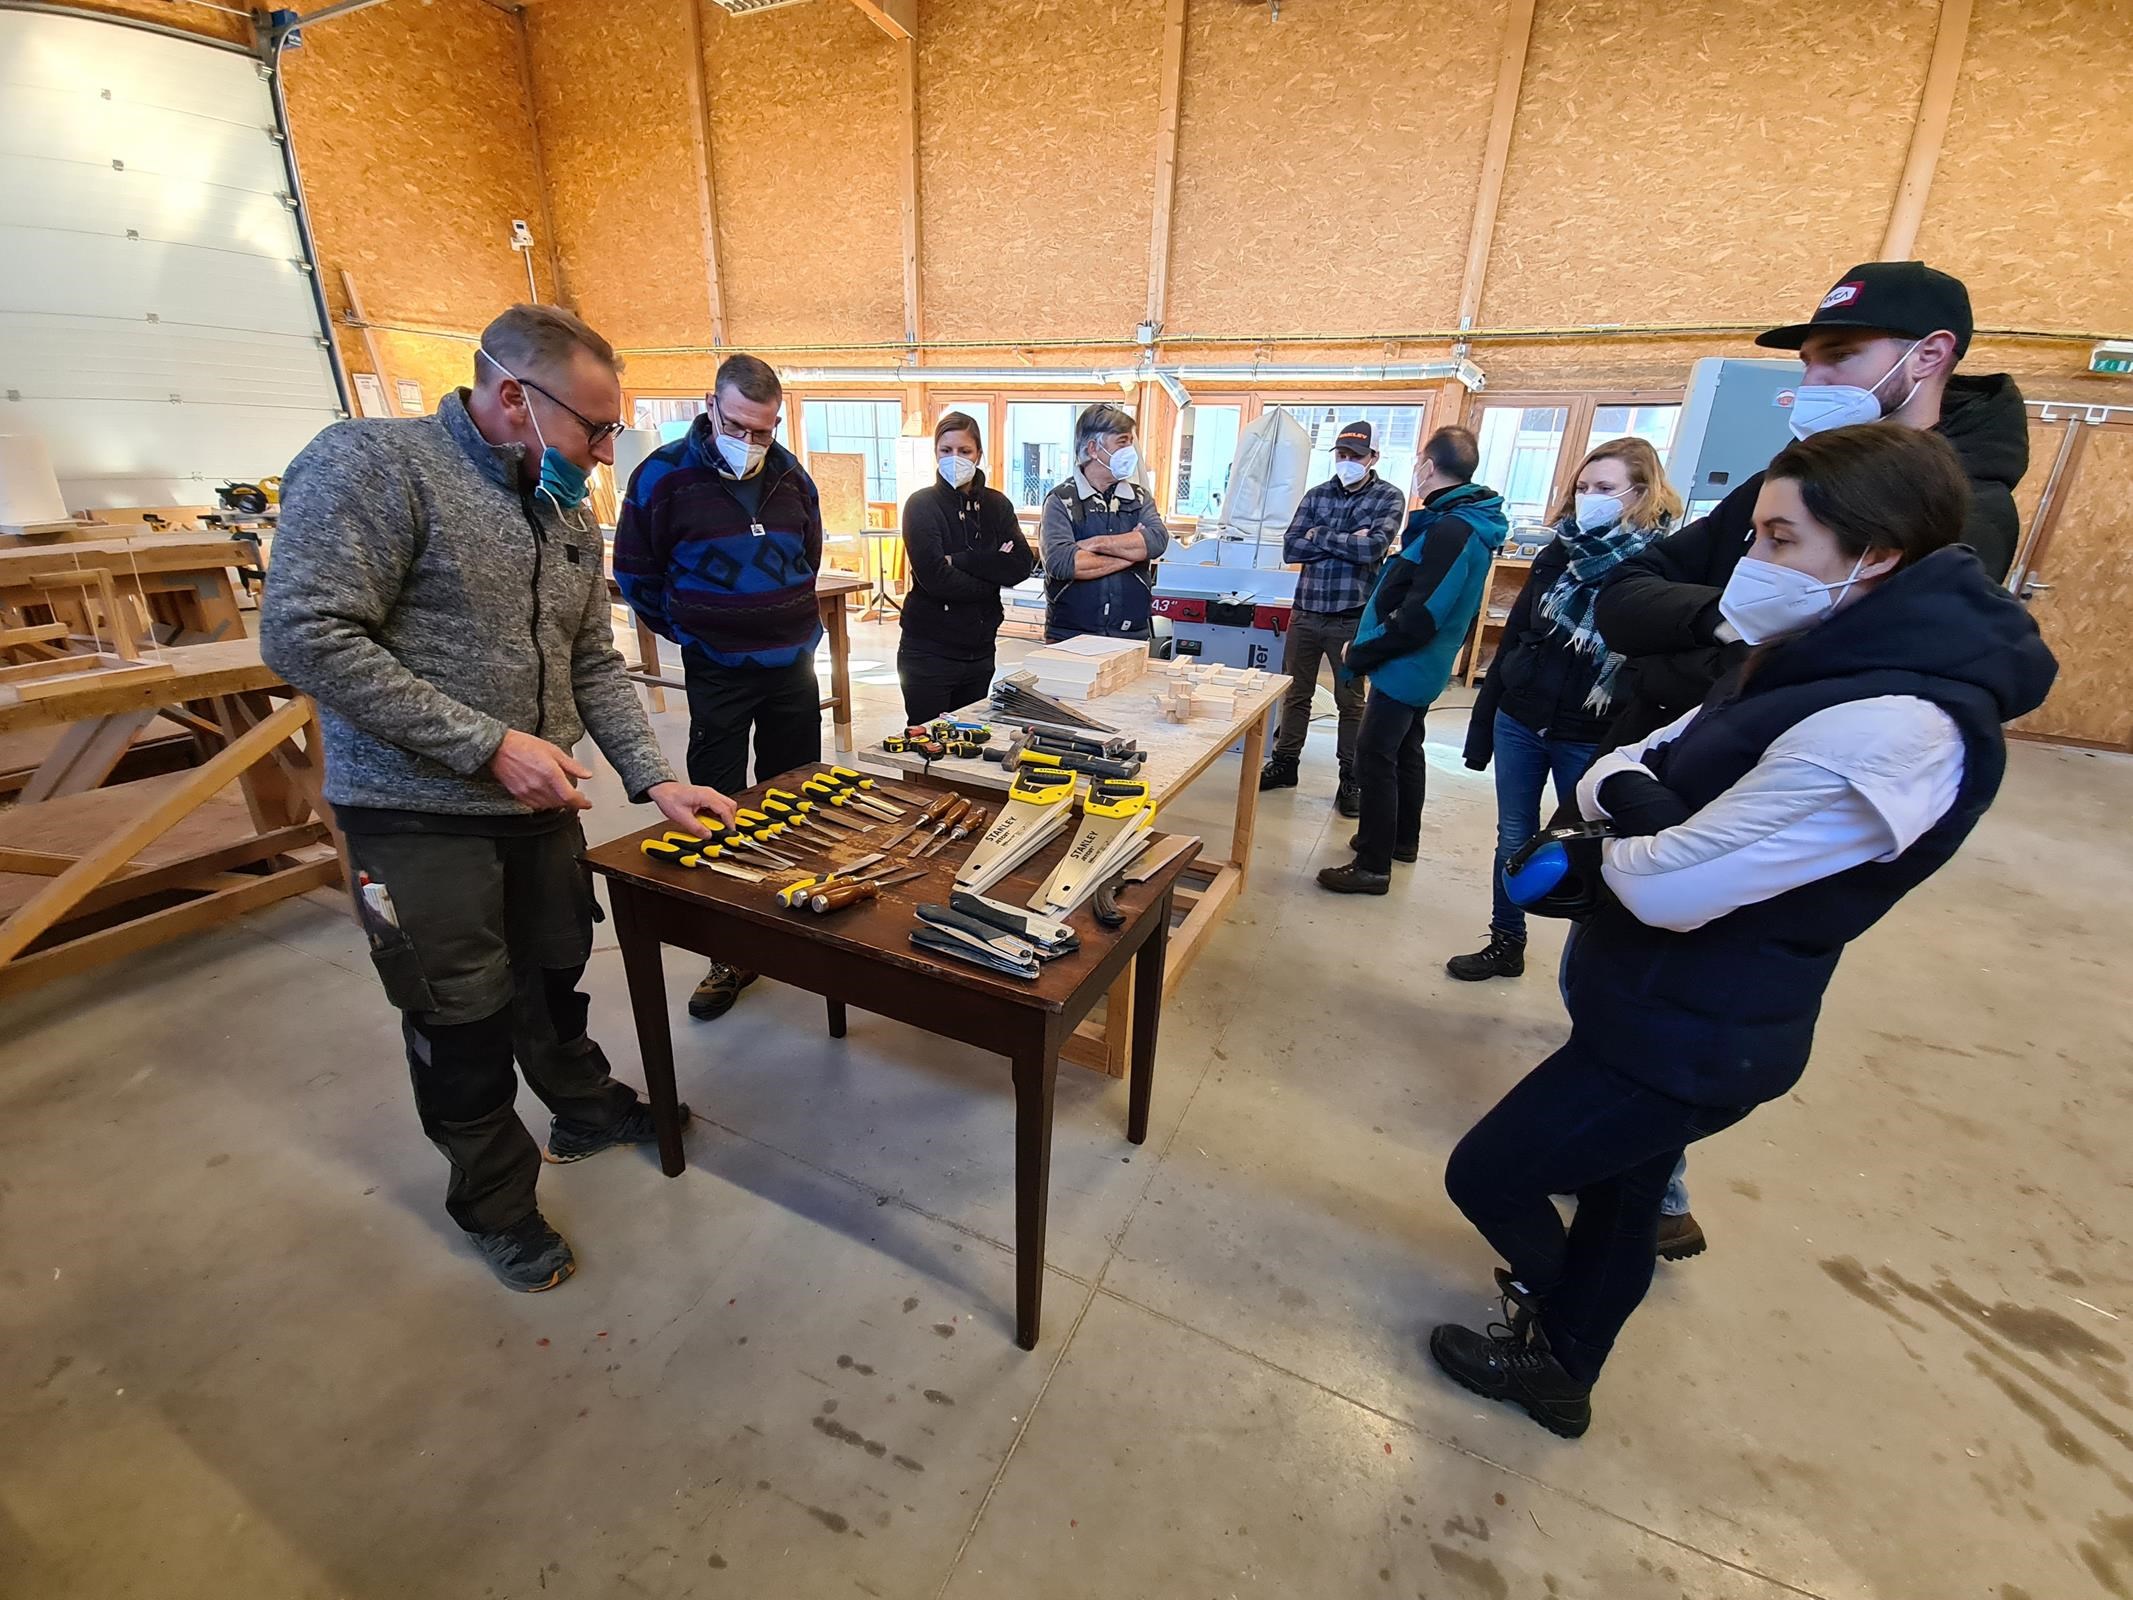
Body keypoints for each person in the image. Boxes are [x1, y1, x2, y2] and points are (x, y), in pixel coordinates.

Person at [1427, 422, 2055, 1439]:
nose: (1751, 563)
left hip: (1696, 1031)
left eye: (1776, 538)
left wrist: (1622, 836)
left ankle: (1559, 1322)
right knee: (1623, 1197)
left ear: (1876, 553)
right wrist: (1648, 810)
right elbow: (1627, 761)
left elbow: (1674, 884)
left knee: (1490, 1171)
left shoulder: (1902, 726)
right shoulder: (1813, 652)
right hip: (1651, 1008)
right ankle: (1563, 1367)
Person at [261, 304, 737, 1293]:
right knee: (461, 1013)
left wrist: (654, 776)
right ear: (513, 395)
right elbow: (307, 635)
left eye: (614, 431)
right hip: (414, 815)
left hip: (538, 806)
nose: (607, 453)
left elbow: (591, 656)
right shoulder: (372, 467)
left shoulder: (566, 507)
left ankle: (582, 1104)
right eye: (593, 428)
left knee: (557, 966)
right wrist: (486, 748)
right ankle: (492, 1199)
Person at [1594, 261, 2027, 749]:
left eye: (1841, 356)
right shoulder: (1780, 479)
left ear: (1929, 354)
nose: (1813, 382)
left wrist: (1664, 658)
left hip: (1757, 769)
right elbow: (1623, 593)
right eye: (1807, 362)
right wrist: (1731, 617)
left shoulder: (1960, 509)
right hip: (1649, 744)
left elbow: (1837, 682)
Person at [614, 352, 824, 1024]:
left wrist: (777, 613)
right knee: (717, 802)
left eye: (764, 430)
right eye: (738, 425)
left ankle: (797, 916)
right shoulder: (661, 477)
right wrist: (693, 633)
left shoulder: (791, 474)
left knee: (798, 793)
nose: (751, 443)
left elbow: (808, 554)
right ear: (710, 406)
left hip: (791, 663)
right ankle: (729, 951)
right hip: (717, 669)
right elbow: (637, 574)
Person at [1448, 437, 1681, 980]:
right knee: (1514, 835)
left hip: (1594, 732)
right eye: (1582, 488)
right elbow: (1515, 641)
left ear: (1640, 492)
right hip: (1523, 720)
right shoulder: (1559, 552)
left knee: (1597, 848)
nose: (1589, 499)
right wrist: (1485, 725)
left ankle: (1590, 970)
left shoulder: (1659, 565)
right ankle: (1506, 942)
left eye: (1604, 489)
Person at [1316, 427, 1505, 894]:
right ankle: (1400, 840)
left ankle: (1373, 866)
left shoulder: (1454, 528)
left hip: (1409, 663)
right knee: (1403, 749)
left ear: (1427, 465)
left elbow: (1420, 615)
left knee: (1373, 755)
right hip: (1418, 662)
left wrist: (1363, 649)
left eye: (1420, 461)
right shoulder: (1461, 520)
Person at [1259, 421, 1409, 815]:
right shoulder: (1316, 494)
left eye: (1355, 456)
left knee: (1350, 702)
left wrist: (1319, 536)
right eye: (1341, 455)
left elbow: (1374, 548)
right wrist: (1346, 540)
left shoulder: (1389, 497)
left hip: (1351, 618)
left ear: (1373, 458)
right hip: (1306, 613)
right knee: (1295, 694)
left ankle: (1351, 778)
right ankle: (1285, 763)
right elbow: (1291, 548)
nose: (1346, 462)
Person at [897, 410, 1036, 725]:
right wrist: (991, 573)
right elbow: (936, 579)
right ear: (936, 453)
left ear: (979, 455)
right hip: (928, 652)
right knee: (927, 744)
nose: (954, 458)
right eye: (946, 451)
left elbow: (1020, 566)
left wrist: (961, 560)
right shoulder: (921, 506)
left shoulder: (997, 505)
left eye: (964, 451)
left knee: (969, 739)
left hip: (981, 650)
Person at [1039, 403, 1170, 643]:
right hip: (1070, 635)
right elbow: (1064, 564)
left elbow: (1157, 541)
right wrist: (1132, 553)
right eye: (1122, 442)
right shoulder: (1062, 499)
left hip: (1131, 633)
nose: (1130, 451)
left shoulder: (1139, 498)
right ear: (1093, 449)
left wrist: (1096, 543)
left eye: (1131, 442)